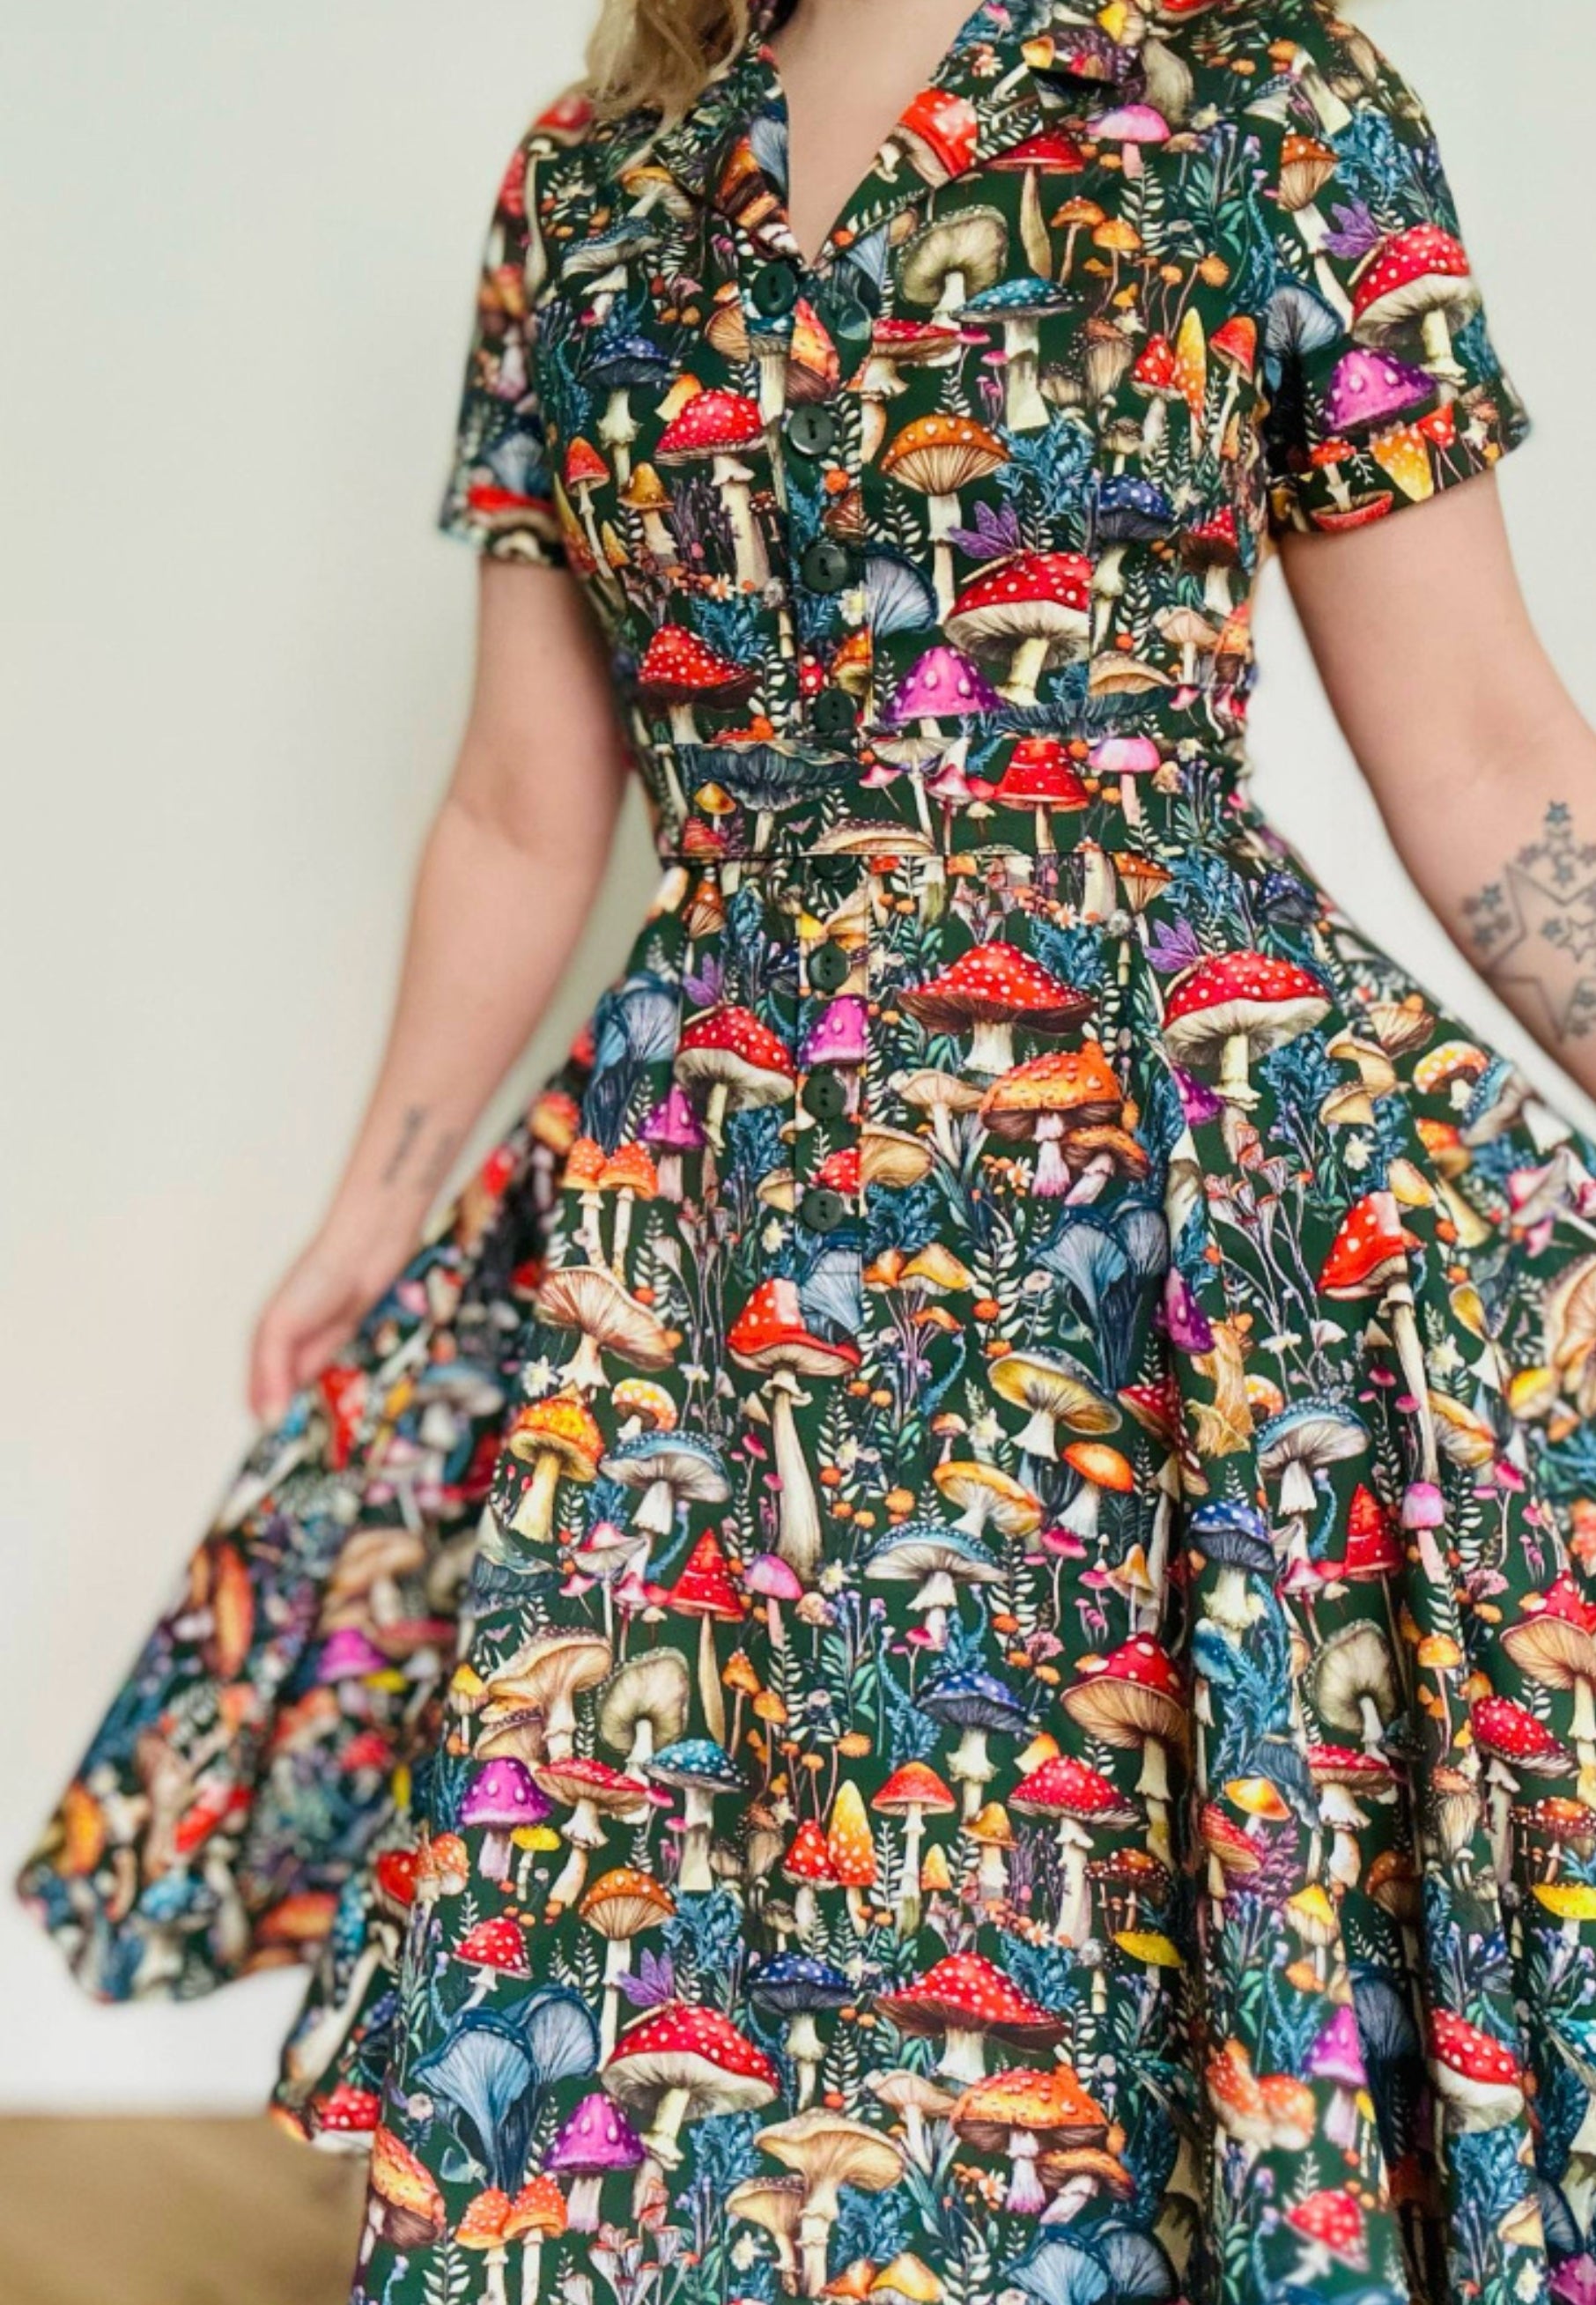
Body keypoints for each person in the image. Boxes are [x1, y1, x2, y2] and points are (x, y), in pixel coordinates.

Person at [18, 0, 1596, 2297]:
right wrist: (376, 1199)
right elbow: (517, 800)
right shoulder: (595, 183)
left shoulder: (1260, 103)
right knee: (671, 2015)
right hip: (712, 1234)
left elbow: (1474, 741)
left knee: (1095, 2048)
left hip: (1147, 1227)